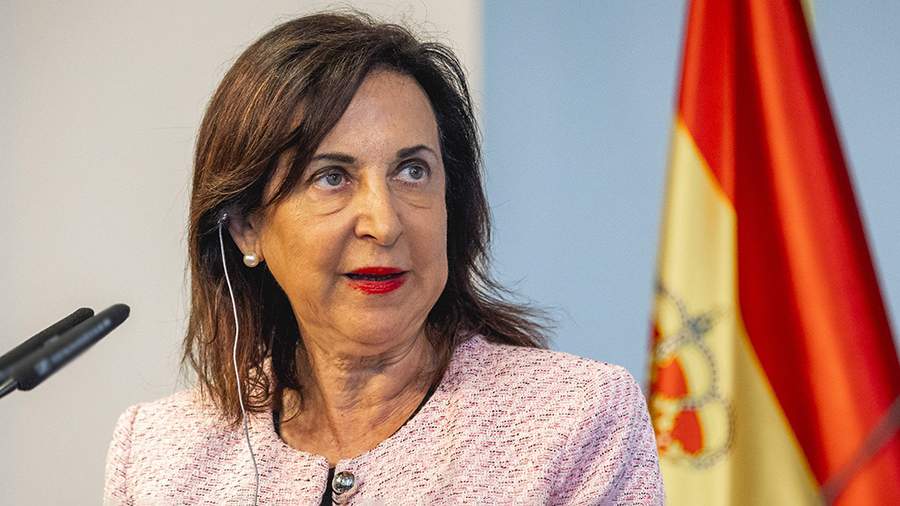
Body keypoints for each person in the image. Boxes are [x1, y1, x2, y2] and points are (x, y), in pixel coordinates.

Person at [103, 11, 663, 505]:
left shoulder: (575, 420)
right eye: (331, 177)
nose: (385, 222)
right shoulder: (158, 454)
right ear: (247, 227)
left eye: (412, 171)